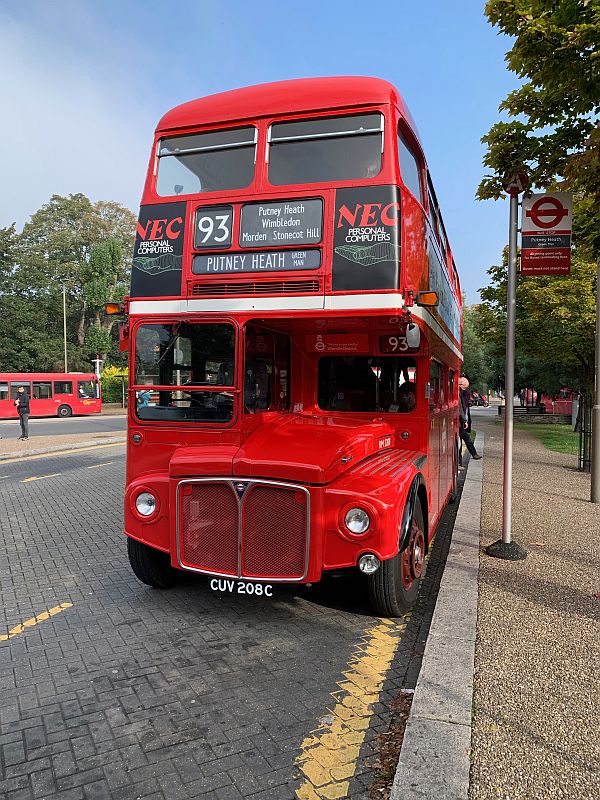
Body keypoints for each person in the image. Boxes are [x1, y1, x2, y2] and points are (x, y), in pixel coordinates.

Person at [459, 376, 481, 462]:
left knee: (462, 439)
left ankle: (460, 460)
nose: (465, 389)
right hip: (459, 420)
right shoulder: (460, 393)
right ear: (460, 384)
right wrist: (464, 420)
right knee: (465, 438)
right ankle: (473, 454)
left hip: (461, 419)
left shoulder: (463, 392)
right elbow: (460, 407)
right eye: (464, 387)